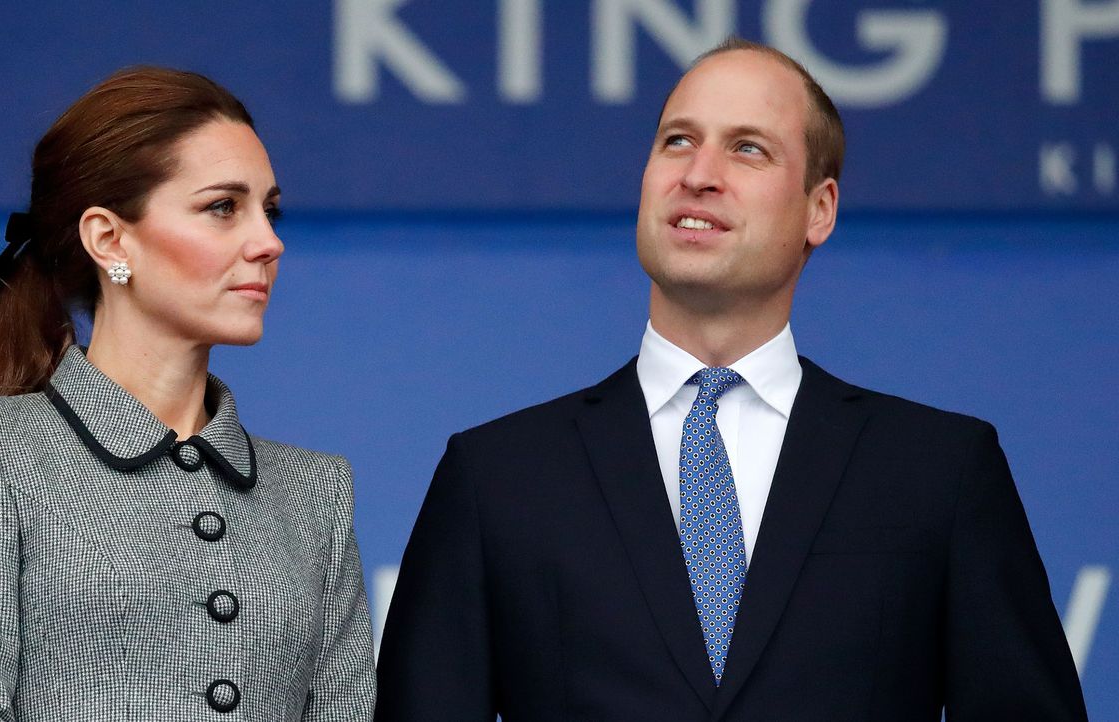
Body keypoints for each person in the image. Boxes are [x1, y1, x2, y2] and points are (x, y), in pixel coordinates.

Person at [374, 38, 1087, 721]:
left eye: (747, 148)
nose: (699, 172)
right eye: (677, 140)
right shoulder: (497, 475)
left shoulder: (941, 469)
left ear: (820, 210)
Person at [0, 67, 376, 721]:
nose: (269, 243)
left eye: (270, 210)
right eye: (222, 207)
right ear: (109, 239)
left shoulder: (316, 492)